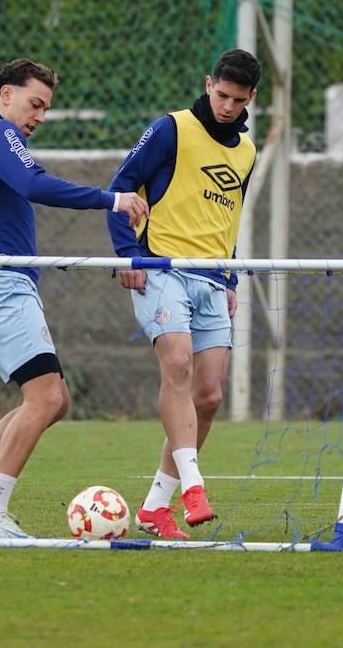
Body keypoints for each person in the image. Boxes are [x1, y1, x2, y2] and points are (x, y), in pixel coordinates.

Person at [0, 58, 149, 538]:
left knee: (56, 399)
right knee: (46, 397)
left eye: (45, 108)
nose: (39, 117)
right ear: (6, 93)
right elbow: (33, 183)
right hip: (3, 282)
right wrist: (112, 199)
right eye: (35, 103)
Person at [106, 48, 260, 540]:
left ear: (251, 97)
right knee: (176, 364)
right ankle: (193, 489)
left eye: (238, 99)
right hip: (160, 269)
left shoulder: (247, 152)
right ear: (208, 82)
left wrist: (231, 279)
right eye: (221, 94)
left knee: (210, 396)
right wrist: (127, 253)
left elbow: (229, 221)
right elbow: (121, 187)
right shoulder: (170, 128)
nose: (227, 106)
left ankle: (154, 507)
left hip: (214, 279)